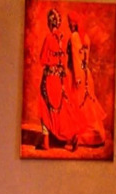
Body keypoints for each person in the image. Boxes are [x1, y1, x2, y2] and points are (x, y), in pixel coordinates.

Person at [36, 8, 85, 150]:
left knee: (45, 105)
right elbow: (64, 61)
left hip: (49, 77)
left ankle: (46, 142)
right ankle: (73, 136)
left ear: (50, 23)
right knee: (63, 108)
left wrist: (50, 61)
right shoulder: (63, 38)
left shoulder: (48, 38)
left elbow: (42, 60)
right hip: (61, 79)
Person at [65, 11, 106, 146]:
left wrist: (77, 78)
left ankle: (79, 137)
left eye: (69, 22)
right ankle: (85, 136)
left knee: (77, 105)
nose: (68, 25)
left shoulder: (74, 37)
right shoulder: (86, 37)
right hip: (86, 75)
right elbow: (85, 60)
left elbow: (76, 60)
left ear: (73, 23)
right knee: (86, 108)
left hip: (77, 76)